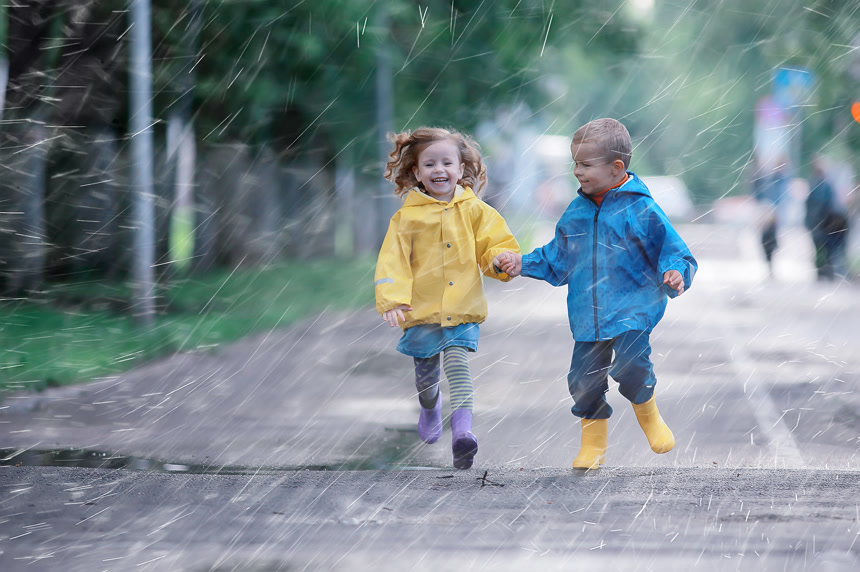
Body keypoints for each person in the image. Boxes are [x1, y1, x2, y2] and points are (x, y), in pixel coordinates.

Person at [494, 118, 697, 470]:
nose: (576, 171)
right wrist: (520, 263)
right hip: (588, 313)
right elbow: (556, 258)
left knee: (632, 365)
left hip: (634, 307)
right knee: (582, 380)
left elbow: (675, 250)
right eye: (575, 163)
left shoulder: (641, 209)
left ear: (616, 168)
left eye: (585, 164)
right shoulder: (575, 214)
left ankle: (649, 415)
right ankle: (593, 443)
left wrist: (676, 272)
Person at [374, 127, 520, 469]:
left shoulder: (475, 210)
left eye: (446, 163)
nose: (439, 170)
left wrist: (501, 260)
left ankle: (462, 434)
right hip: (421, 311)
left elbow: (494, 243)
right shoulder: (407, 218)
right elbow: (392, 261)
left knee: (457, 365)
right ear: (416, 172)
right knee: (426, 378)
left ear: (460, 168)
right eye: (430, 164)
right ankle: (430, 406)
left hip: (462, 309)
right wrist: (393, 298)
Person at [805, 157, 848, 280]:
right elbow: (831, 205)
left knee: (819, 247)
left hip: (818, 222)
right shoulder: (825, 186)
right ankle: (826, 270)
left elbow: (810, 205)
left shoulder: (814, 185)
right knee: (826, 248)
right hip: (823, 222)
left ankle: (822, 271)